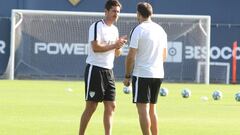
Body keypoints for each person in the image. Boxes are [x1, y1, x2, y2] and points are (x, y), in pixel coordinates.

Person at [79, 0, 127, 135]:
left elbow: (116, 54)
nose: (116, 14)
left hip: (108, 71)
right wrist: (114, 45)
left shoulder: (115, 29)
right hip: (95, 70)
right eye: (113, 11)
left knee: (111, 106)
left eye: (118, 12)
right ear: (106, 11)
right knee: (91, 106)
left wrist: (119, 47)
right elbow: (95, 47)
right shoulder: (97, 26)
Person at [123, 2, 167, 135]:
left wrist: (127, 76)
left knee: (142, 110)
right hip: (158, 73)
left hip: (142, 74)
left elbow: (131, 56)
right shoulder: (160, 30)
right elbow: (164, 55)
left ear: (138, 14)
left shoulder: (138, 29)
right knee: (152, 110)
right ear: (151, 14)